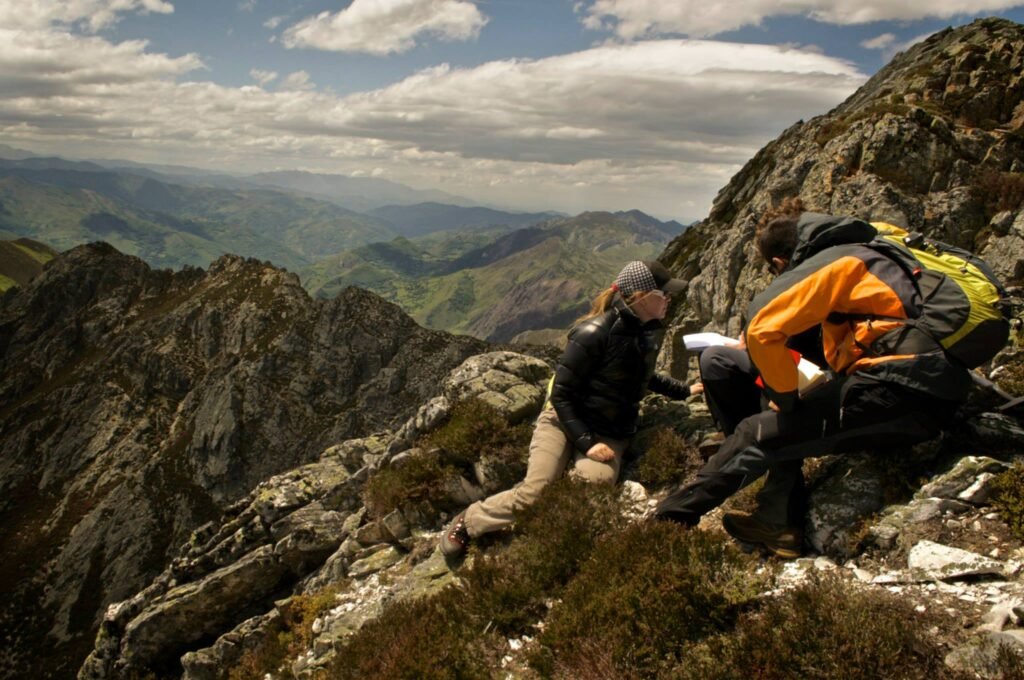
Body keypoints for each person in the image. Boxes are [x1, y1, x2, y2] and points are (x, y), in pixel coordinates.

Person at [655, 202, 971, 557]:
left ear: (778, 262)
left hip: (903, 395)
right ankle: (773, 510)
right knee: (759, 400)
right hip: (918, 382)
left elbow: (762, 328)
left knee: (757, 431)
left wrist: (785, 402)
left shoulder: (831, 266)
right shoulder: (864, 252)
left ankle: (666, 523)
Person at [439, 260, 703, 557]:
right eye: (663, 294)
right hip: (564, 421)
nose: (669, 299)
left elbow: (641, 375)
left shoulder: (649, 330)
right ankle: (470, 519)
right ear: (640, 296)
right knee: (535, 493)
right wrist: (587, 444)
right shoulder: (593, 332)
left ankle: (544, 523)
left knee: (589, 491)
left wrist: (684, 390)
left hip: (611, 429)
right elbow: (562, 395)